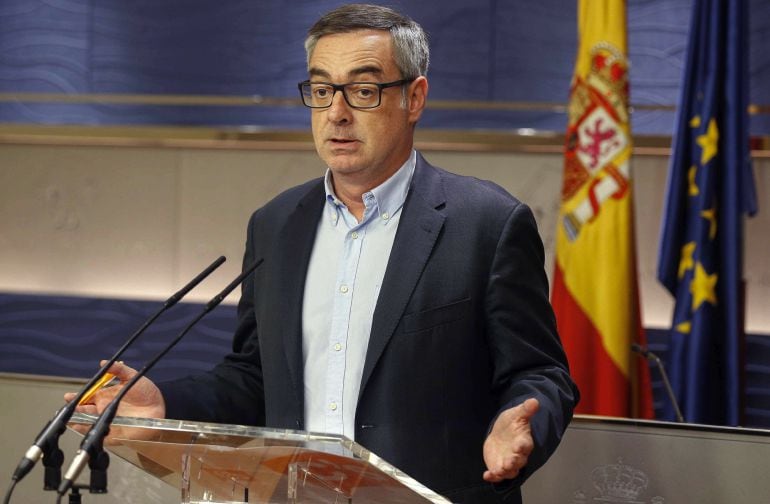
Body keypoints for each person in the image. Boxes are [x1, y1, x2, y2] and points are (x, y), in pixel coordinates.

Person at [69, 4, 578, 502]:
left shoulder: (486, 222)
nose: (336, 113)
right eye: (320, 90)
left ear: (414, 98)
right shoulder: (276, 225)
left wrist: (520, 430)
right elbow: (254, 377)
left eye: (363, 90)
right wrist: (166, 402)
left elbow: (540, 374)